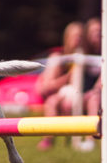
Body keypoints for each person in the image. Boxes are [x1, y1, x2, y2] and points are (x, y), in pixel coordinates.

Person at [36, 18, 101, 150]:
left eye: (80, 37)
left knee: (94, 99)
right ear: (67, 37)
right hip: (64, 95)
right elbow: (45, 87)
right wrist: (68, 77)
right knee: (52, 102)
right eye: (75, 36)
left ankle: (90, 139)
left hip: (83, 96)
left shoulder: (89, 58)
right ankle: (48, 139)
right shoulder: (59, 57)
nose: (77, 40)